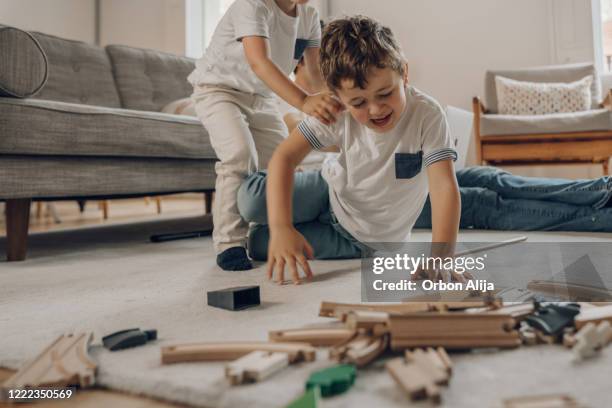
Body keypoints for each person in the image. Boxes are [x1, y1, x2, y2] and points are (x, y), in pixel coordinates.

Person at [237, 15, 462, 284]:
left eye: (385, 93)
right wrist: (281, 226)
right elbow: (285, 157)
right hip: (329, 192)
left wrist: (442, 258)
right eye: (358, 102)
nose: (376, 109)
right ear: (337, 97)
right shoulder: (337, 111)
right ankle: (279, 204)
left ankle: (279, 221)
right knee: (250, 201)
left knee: (258, 244)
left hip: (363, 242)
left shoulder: (428, 114)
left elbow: (443, 187)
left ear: (404, 73)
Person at [189, 0, 342, 271]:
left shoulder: (308, 15)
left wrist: (335, 102)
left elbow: (316, 74)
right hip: (219, 90)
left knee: (280, 162)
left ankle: (268, 230)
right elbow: (259, 62)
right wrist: (304, 101)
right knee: (239, 154)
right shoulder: (253, 5)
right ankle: (229, 243)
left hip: (262, 98)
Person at [414, 166, 612, 231]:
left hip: (414, 181)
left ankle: (603, 188)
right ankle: (603, 217)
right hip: (397, 207)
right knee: (479, 202)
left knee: (490, 177)